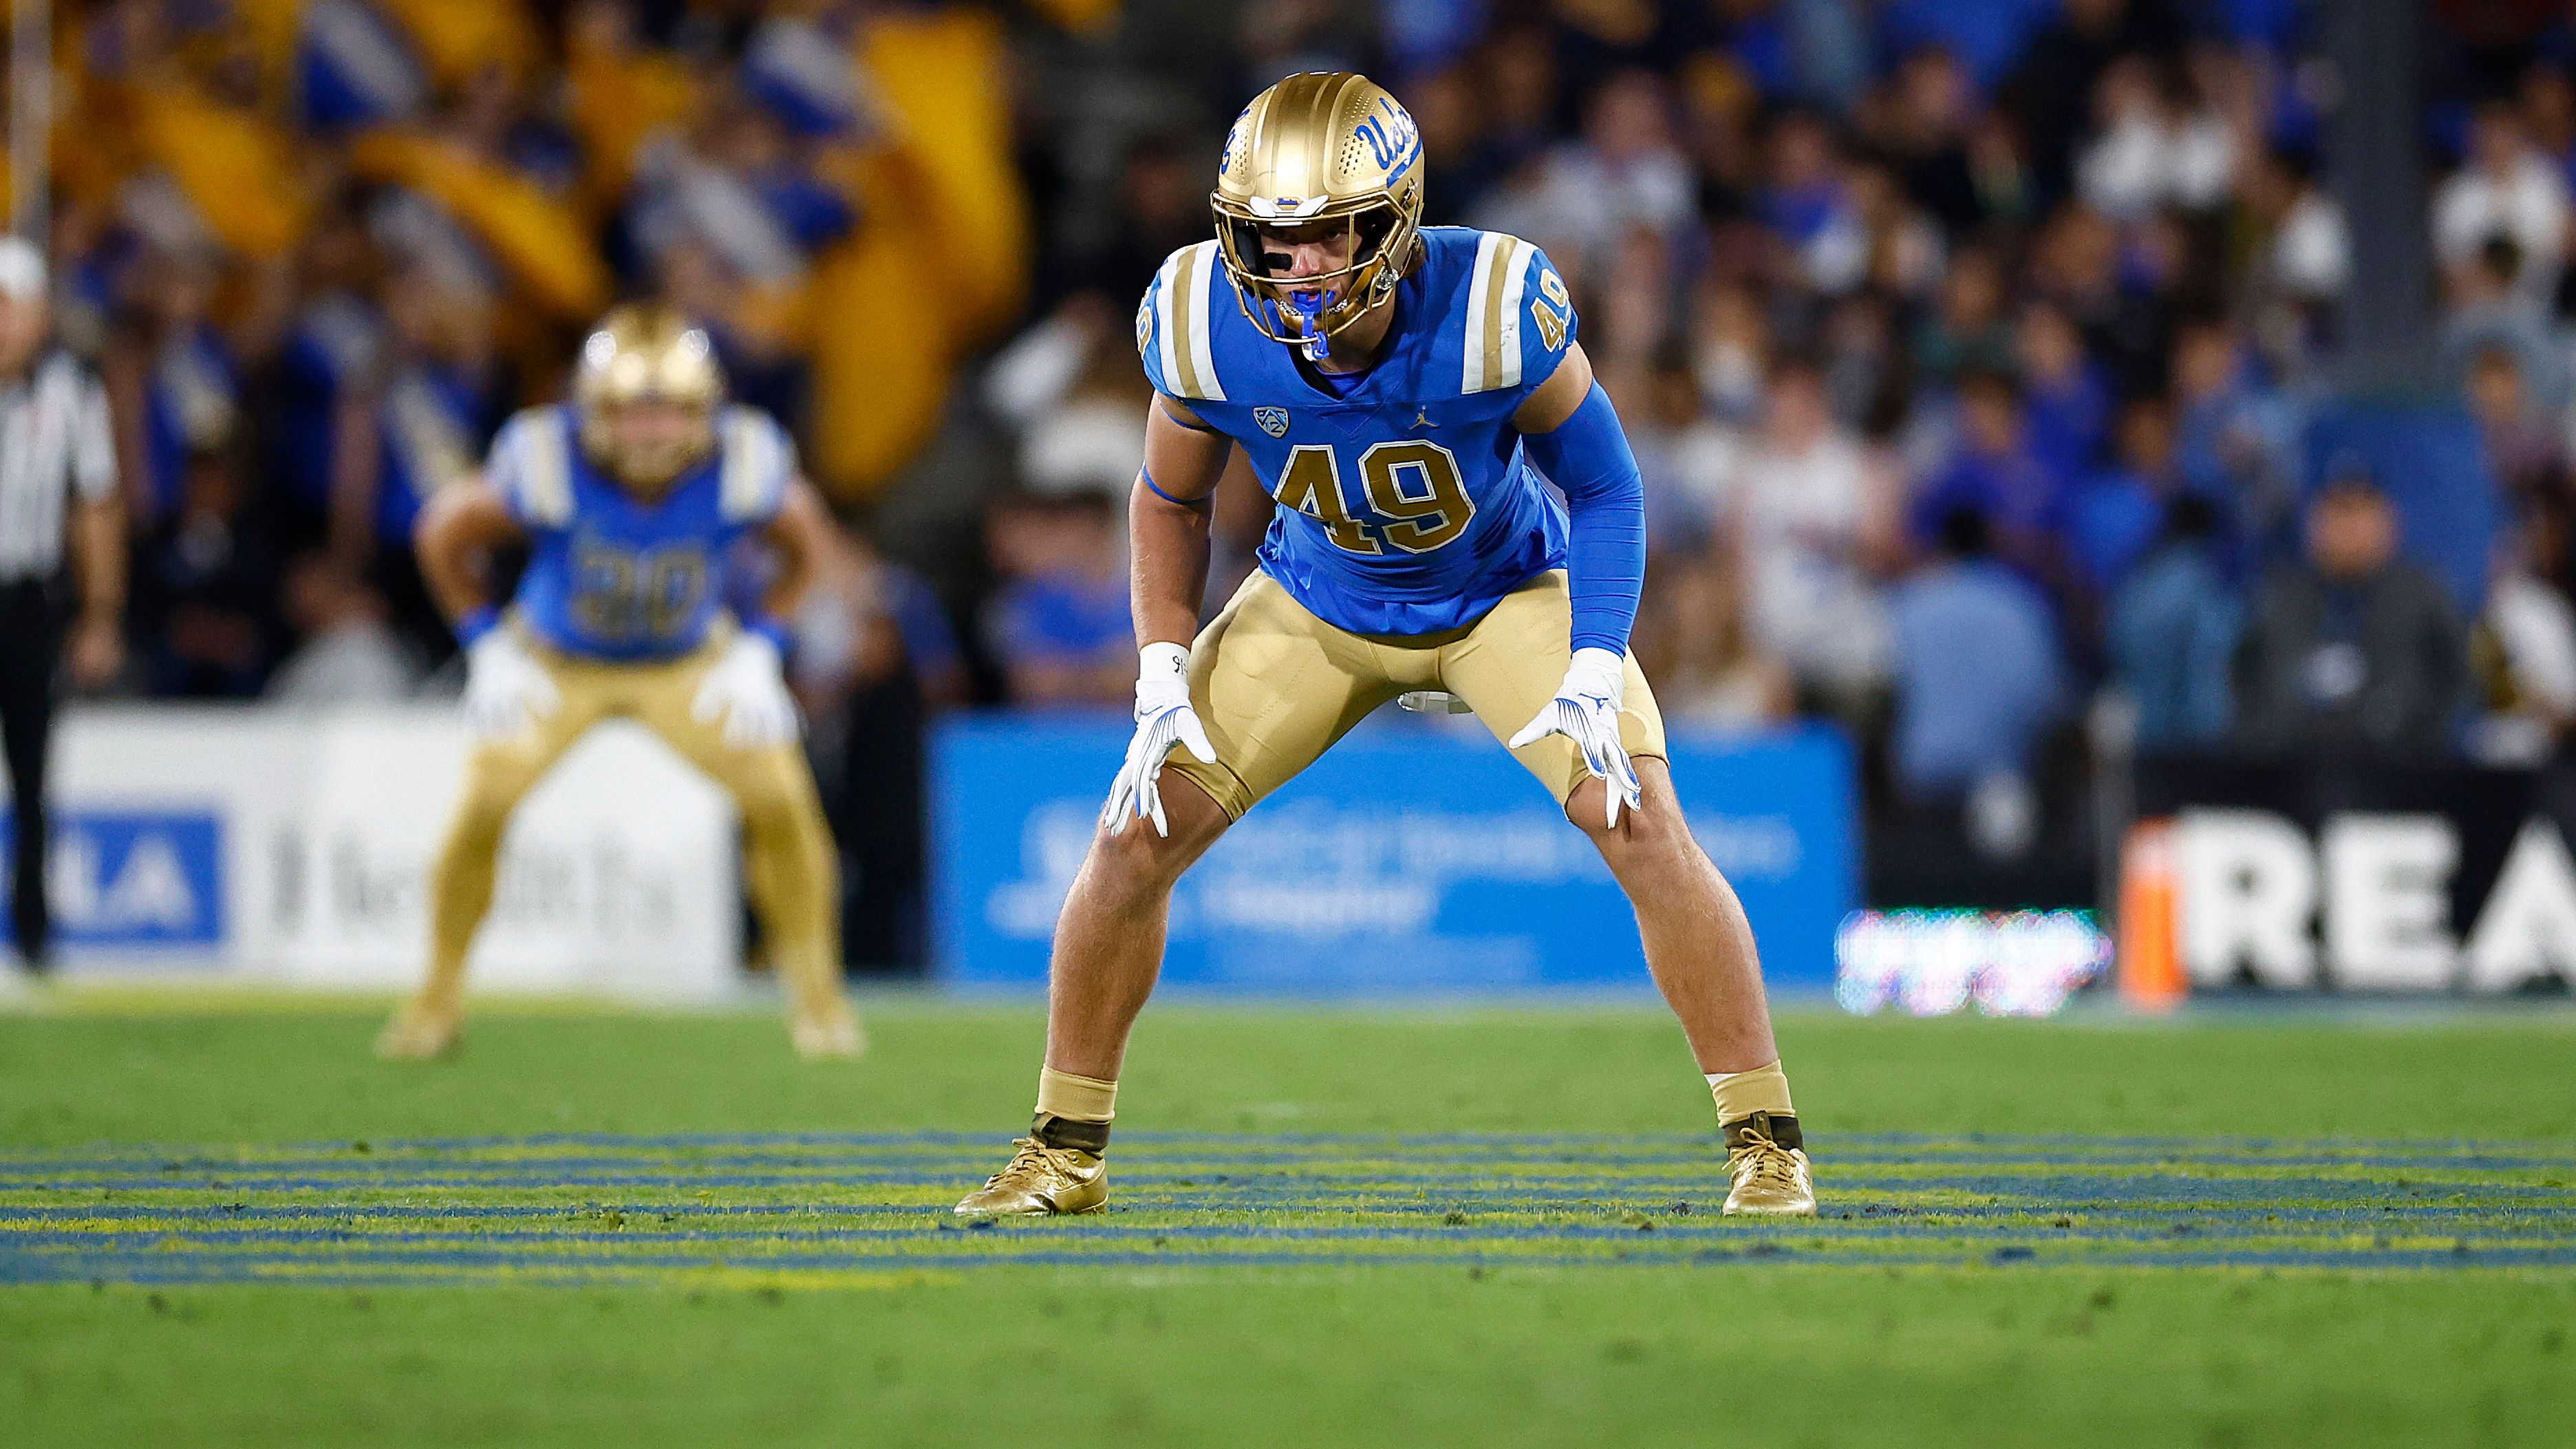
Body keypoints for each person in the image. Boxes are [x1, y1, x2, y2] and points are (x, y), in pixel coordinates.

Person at [953, 74, 1814, 1222]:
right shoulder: (1204, 315)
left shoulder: (1490, 302)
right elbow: (1166, 500)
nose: (1292, 263)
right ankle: (1063, 1151)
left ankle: (1763, 1140)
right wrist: (1160, 661)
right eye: (1267, 236)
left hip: (1501, 592)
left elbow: (1604, 485)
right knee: (1130, 837)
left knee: (1638, 818)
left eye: (1321, 235)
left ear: (1391, 222)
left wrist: (1597, 657)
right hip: (1316, 602)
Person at [374, 304, 859, 1060]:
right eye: (633, 413)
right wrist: (487, 646)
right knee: (484, 804)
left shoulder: (743, 458)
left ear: (706, 411)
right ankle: (435, 1001)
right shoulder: (546, 457)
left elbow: (807, 541)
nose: (652, 433)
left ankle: (819, 1003)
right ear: (593, 410)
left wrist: (762, 646)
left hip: (686, 659)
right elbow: (443, 532)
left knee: (781, 800)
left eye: (670, 413)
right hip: (558, 661)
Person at [0, 239, 123, 974]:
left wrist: (101, 613)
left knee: (34, 769)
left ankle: (35, 933)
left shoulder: (72, 391)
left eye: (13, 308)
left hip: (28, 596)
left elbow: (96, 504)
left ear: (42, 314)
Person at [2232, 475, 2469, 763]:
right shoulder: (2278, 598)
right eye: (2336, 511)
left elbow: (2458, 688)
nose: (2349, 528)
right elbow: (2243, 686)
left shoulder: (2425, 597)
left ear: (2389, 522)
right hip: (2291, 779)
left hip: (2403, 781)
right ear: (2312, 522)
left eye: (2361, 511)